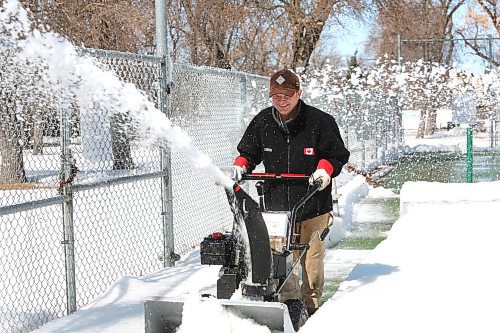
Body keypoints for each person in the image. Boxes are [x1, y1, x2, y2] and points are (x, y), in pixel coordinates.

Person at [232, 68, 350, 315]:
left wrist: (324, 170)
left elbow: (337, 155)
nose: (281, 101)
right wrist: (242, 164)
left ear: (298, 93)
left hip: (312, 203)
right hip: (276, 206)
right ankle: (287, 308)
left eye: (287, 95)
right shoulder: (263, 121)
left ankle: (311, 307)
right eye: (276, 96)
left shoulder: (319, 121)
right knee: (278, 260)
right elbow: (249, 151)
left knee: (310, 261)